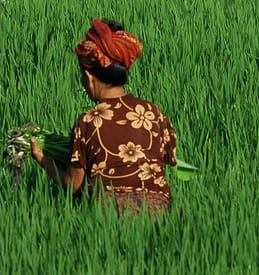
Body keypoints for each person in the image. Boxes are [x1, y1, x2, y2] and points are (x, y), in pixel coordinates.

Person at [31, 18, 178, 217]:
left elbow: (74, 185)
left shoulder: (88, 121)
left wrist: (44, 161)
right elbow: (167, 156)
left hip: (109, 213)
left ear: (89, 78)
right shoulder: (152, 112)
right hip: (160, 213)